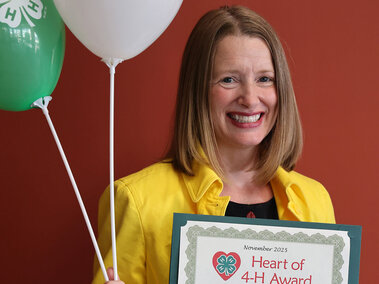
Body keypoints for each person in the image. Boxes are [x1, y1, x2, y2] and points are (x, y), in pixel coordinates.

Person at [92, 5, 335, 284]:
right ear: (198, 92)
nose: (250, 98)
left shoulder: (315, 200)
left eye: (264, 79)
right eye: (229, 79)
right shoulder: (136, 200)